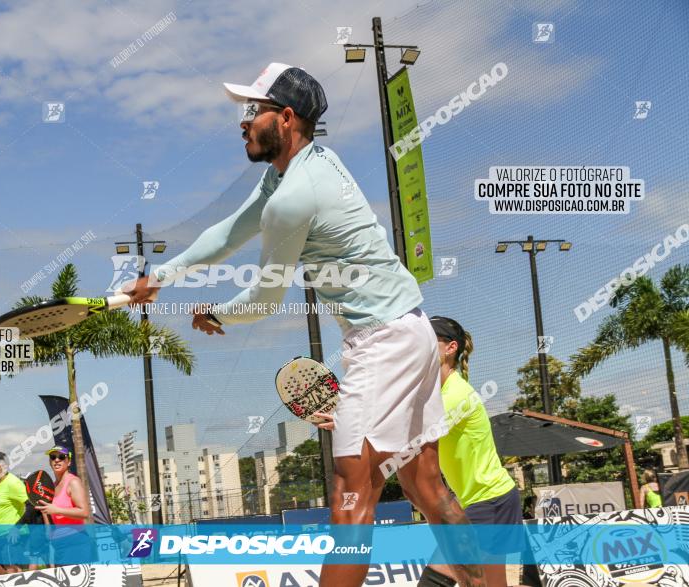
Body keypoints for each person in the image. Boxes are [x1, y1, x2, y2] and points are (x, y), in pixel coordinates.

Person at [126, 62, 483, 587]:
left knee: (349, 498)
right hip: (414, 330)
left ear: (285, 117)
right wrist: (162, 275)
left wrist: (216, 313)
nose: (242, 122)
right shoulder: (306, 165)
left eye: (254, 111)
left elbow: (266, 296)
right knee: (426, 485)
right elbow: (230, 231)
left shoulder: (294, 197)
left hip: (382, 342)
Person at [417, 316, 526, 587]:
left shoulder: (456, 394)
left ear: (450, 348)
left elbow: (407, 436)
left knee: (438, 573)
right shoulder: (437, 393)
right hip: (494, 498)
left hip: (489, 500)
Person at [35, 446, 91, 565]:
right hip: (59, 544)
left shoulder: (73, 482)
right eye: (53, 457)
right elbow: (48, 512)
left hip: (76, 542)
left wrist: (57, 510)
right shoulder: (52, 486)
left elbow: (84, 512)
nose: (56, 460)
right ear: (50, 461)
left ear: (69, 461)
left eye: (61, 457)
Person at [0, 451, 28, 576]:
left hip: (11, 535)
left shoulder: (13, 483)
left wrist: (16, 528)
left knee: (12, 571)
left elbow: (31, 506)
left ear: (2, 467)